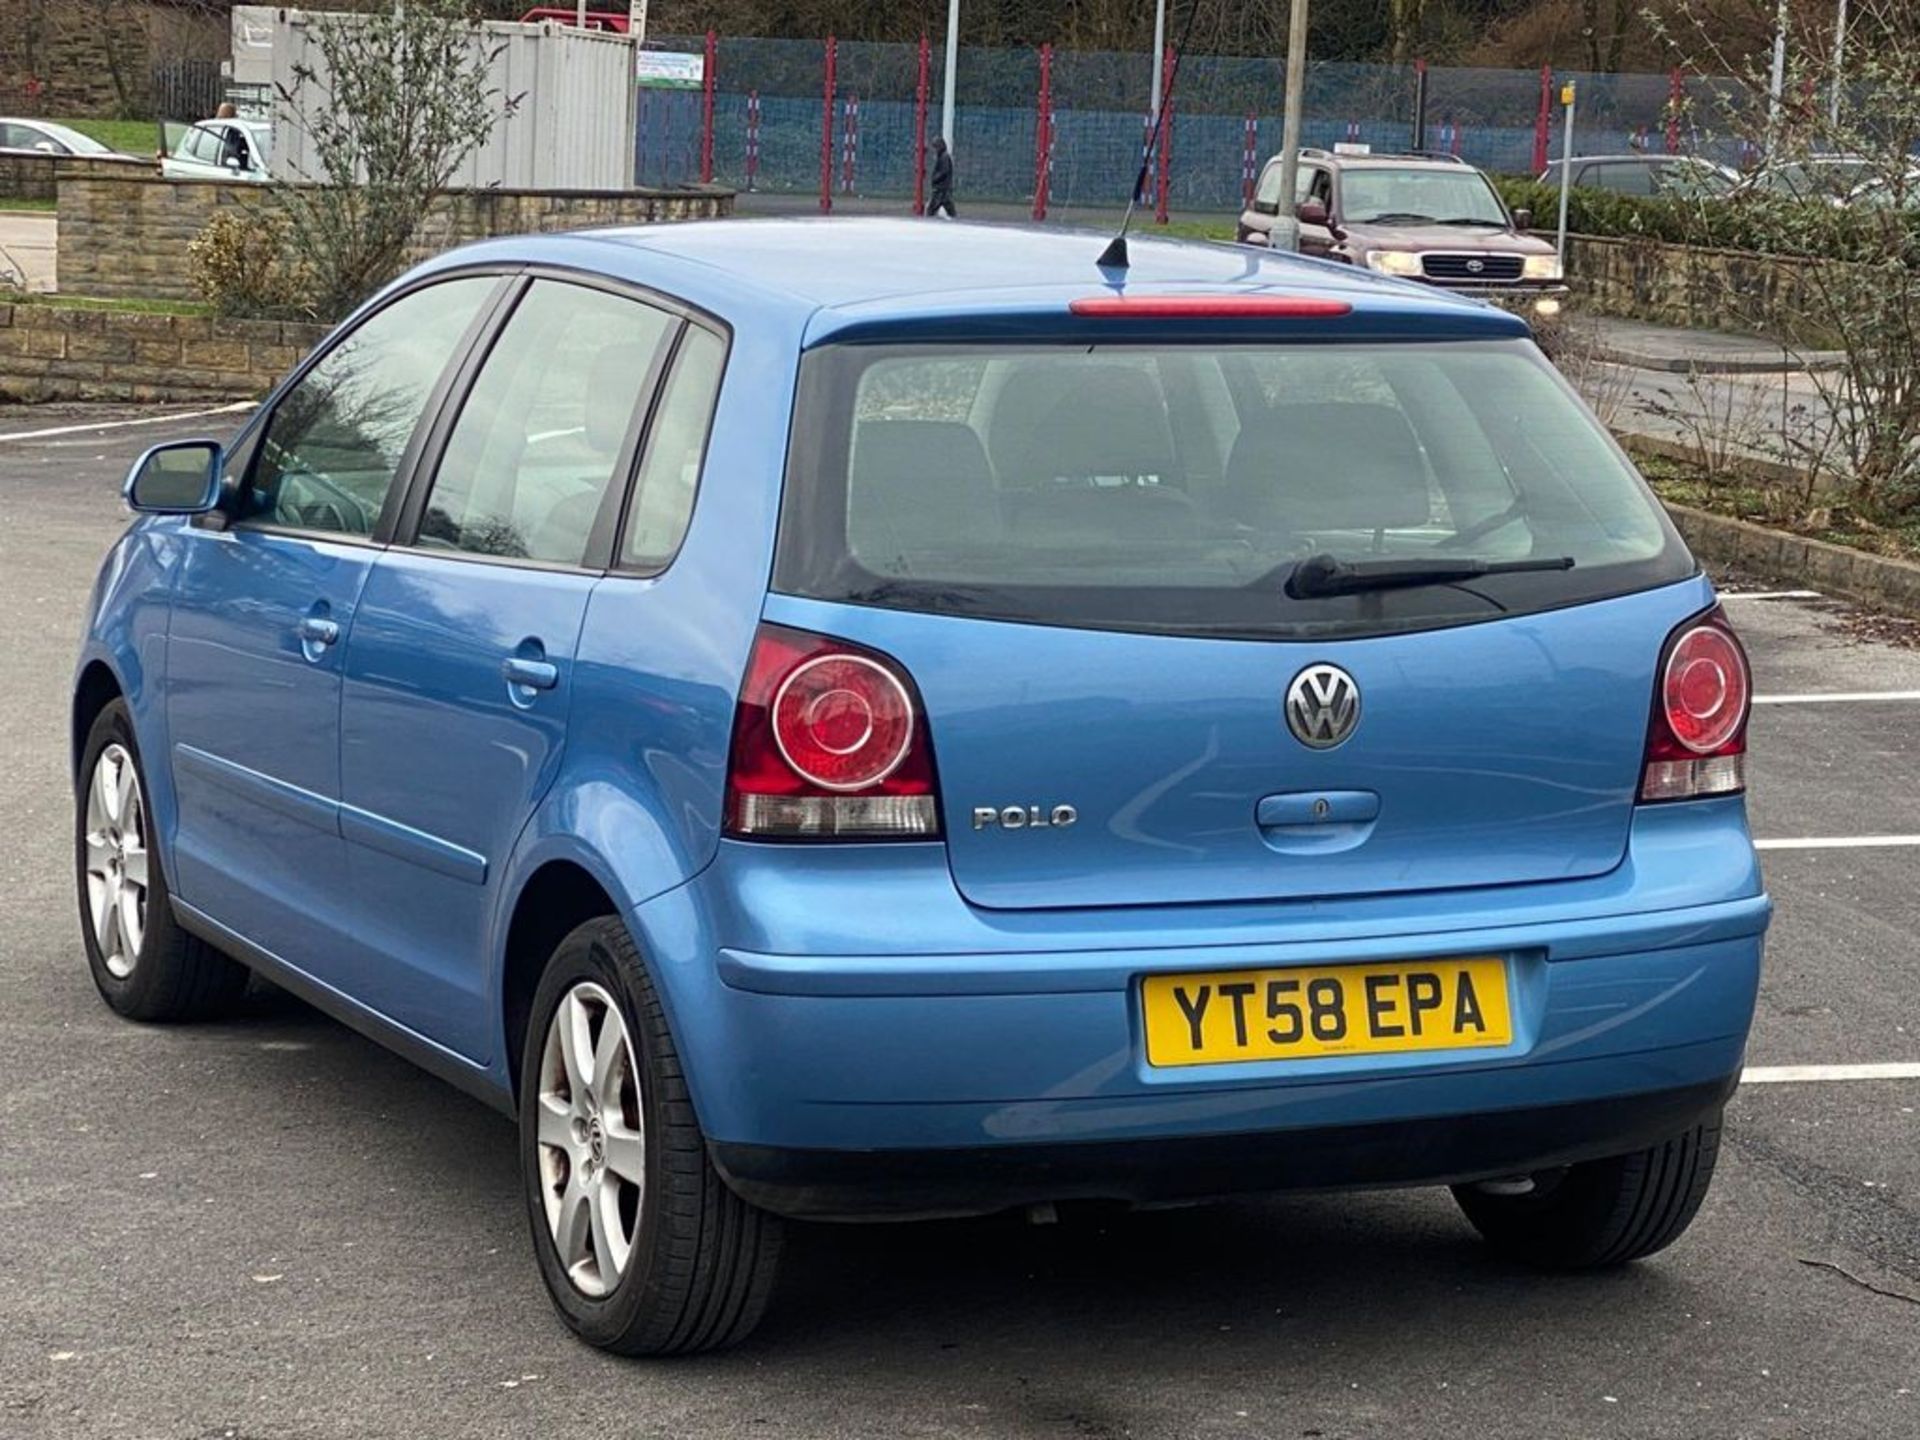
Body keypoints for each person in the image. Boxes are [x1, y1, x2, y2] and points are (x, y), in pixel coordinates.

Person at [928, 136, 956, 218]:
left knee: (931, 209)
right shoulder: (943, 157)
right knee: (949, 208)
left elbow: (944, 171)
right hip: (943, 188)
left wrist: (935, 179)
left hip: (941, 189)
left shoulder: (944, 157)